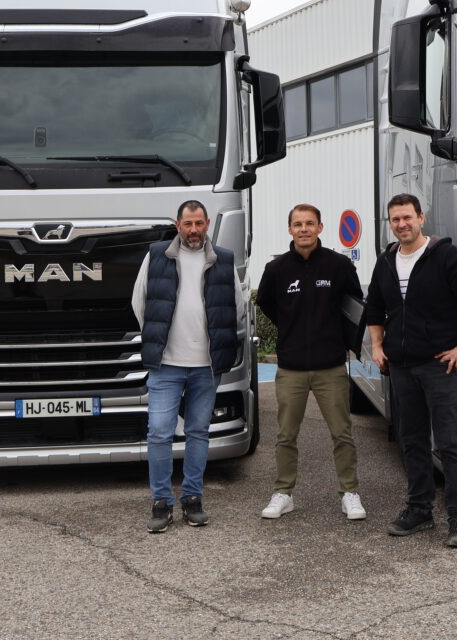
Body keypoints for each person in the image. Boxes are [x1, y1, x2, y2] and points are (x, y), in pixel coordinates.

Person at [365, 193, 457, 548]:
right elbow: (374, 305)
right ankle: (419, 509)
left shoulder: (444, 255)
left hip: (438, 366)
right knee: (411, 441)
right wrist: (376, 346)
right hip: (401, 367)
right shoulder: (387, 261)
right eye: (395, 220)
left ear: (421, 218)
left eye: (407, 218)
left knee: (449, 442)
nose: (402, 224)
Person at [131, 200, 241, 533]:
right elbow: (140, 302)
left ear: (207, 223)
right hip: (165, 365)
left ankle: (193, 499)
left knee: (197, 432)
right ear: (177, 225)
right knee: (160, 432)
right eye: (187, 224)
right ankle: (161, 502)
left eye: (199, 223)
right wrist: (158, 340)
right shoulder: (157, 255)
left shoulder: (223, 259)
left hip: (206, 366)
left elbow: (235, 307)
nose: (193, 230)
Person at [256, 204, 366, 521]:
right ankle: (283, 493)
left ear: (320, 227)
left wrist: (342, 341)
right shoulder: (276, 269)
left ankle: (349, 493)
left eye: (310, 223)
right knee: (285, 436)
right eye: (297, 224)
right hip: (290, 368)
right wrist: (290, 327)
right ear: (289, 229)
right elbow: (265, 303)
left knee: (342, 434)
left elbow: (354, 308)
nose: (304, 229)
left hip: (330, 367)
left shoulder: (339, 265)